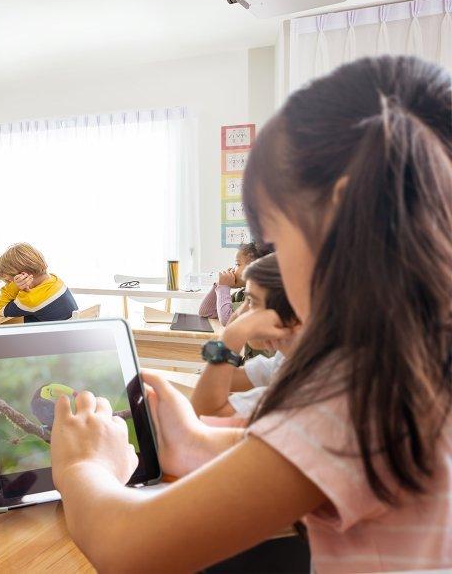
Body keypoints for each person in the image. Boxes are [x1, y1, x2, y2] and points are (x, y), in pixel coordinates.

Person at [49, 55, 452, 572]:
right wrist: (195, 442)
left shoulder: (362, 391)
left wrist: (83, 466)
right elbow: (299, 462)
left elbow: (126, 548)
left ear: (341, 218)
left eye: (278, 237)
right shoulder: (420, 363)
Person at [190, 253, 300, 421]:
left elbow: (205, 414)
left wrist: (233, 335)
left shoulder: (302, 381)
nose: (242, 312)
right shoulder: (285, 360)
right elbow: (218, 381)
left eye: (252, 301)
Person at [0, 243, 76, 322]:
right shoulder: (55, 280)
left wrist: (15, 286)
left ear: (23, 276)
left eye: (10, 281)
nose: (9, 284)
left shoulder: (31, 299)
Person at [200, 241, 267, 325]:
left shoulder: (257, 299)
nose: (232, 269)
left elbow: (227, 320)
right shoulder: (240, 294)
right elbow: (206, 312)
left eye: (237, 264)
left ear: (254, 270)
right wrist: (218, 284)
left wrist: (223, 287)